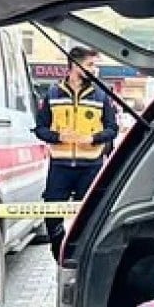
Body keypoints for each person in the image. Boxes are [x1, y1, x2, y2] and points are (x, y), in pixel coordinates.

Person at [33, 45, 119, 261]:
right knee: (52, 215)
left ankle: (83, 258)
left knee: (91, 217)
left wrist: (92, 138)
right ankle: (59, 257)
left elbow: (112, 129)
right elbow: (40, 129)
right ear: (74, 64)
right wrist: (59, 136)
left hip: (90, 166)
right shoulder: (53, 94)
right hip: (60, 166)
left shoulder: (101, 95)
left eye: (95, 66)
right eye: (90, 65)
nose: (94, 71)